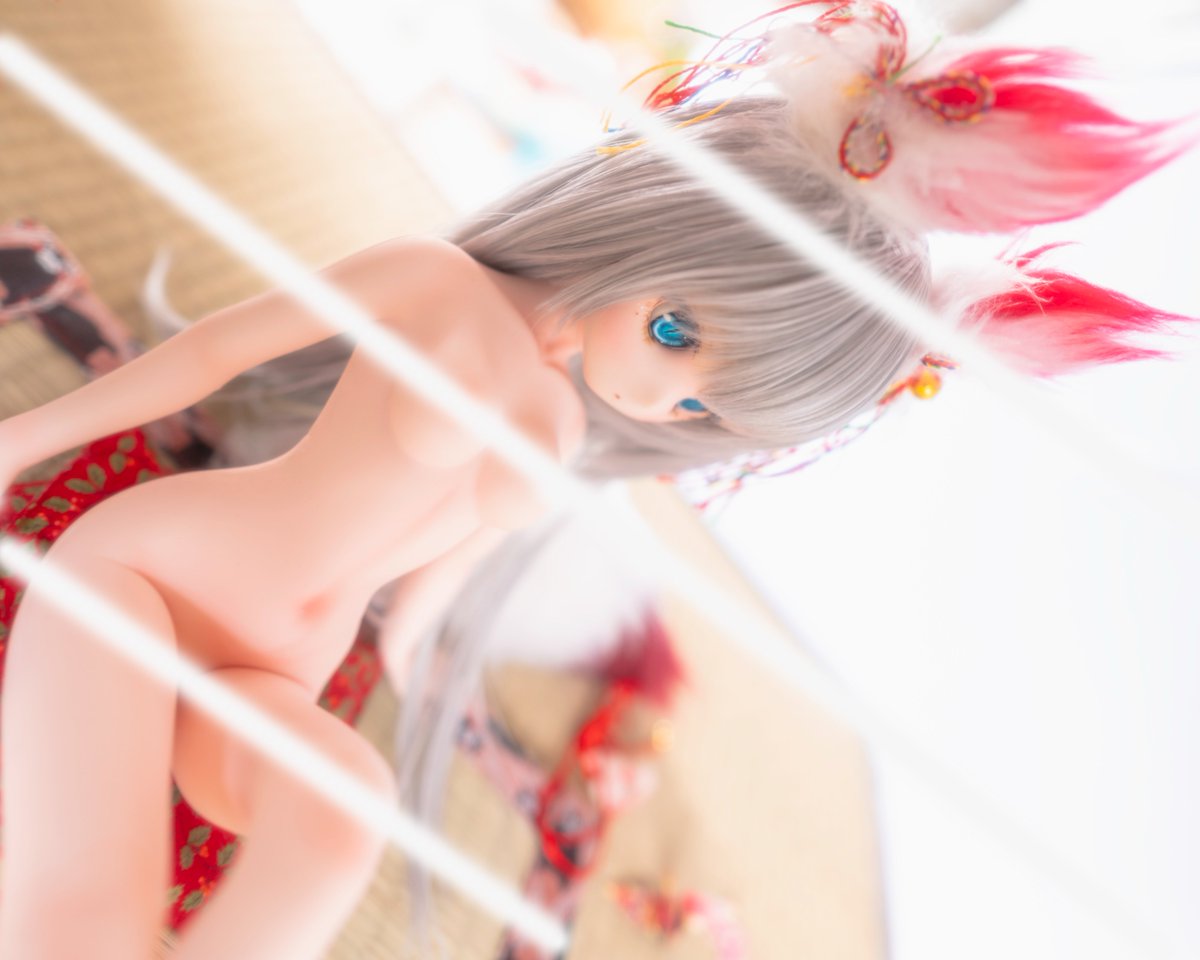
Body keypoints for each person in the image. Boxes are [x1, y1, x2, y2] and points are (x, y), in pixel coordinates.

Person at [0, 3, 1191, 958]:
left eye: (704, 407)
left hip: (274, 677)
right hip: (152, 580)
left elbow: (430, 588)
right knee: (90, 910)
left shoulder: (570, 435)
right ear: (654, 225)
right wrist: (26, 437)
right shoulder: (433, 282)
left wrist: (432, 684)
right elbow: (210, 357)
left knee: (343, 809)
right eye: (678, 333)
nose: (665, 402)